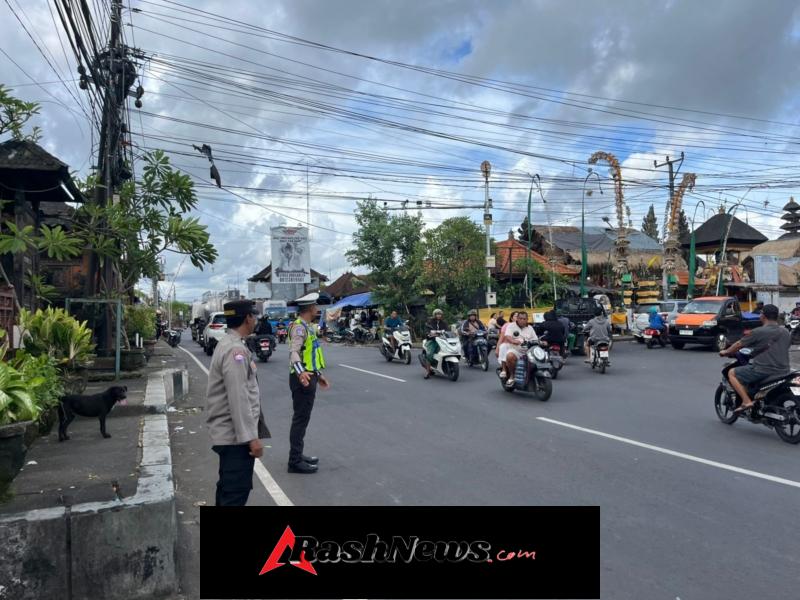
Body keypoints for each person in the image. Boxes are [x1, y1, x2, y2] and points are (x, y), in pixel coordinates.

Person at [205, 300, 270, 506]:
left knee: (227, 491)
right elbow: (238, 397)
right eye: (254, 316)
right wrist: (251, 438)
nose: (256, 320)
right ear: (248, 318)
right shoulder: (235, 351)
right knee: (234, 494)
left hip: (229, 437)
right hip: (235, 440)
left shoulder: (229, 344)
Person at [288, 293, 330, 474]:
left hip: (308, 376)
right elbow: (294, 352)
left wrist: (318, 374)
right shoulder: (299, 328)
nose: (317, 309)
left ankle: (298, 455)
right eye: (315, 306)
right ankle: (294, 461)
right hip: (302, 380)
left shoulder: (306, 326)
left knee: (302, 419)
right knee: (300, 419)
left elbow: (309, 355)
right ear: (309, 308)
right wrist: (301, 373)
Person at [720, 304, 791, 413]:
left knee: (732, 373)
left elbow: (739, 344)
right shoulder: (786, 332)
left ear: (763, 315)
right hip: (784, 371)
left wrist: (726, 351)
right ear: (776, 316)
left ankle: (746, 401)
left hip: (763, 370)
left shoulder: (758, 331)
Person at [498, 312, 537, 388]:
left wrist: (542, 342)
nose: (522, 320)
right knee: (510, 356)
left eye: (524, 319)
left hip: (529, 351)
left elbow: (535, 338)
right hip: (515, 350)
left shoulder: (530, 328)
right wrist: (513, 341)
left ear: (527, 319)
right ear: (517, 319)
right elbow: (507, 336)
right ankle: (512, 376)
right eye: (520, 318)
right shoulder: (511, 326)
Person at [422, 308, 448, 379]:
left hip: (443, 341)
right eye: (437, 314)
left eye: (440, 314)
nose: (439, 315)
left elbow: (447, 331)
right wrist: (429, 334)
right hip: (433, 341)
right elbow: (427, 331)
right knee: (429, 354)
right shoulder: (430, 322)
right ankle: (427, 371)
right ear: (434, 315)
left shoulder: (444, 323)